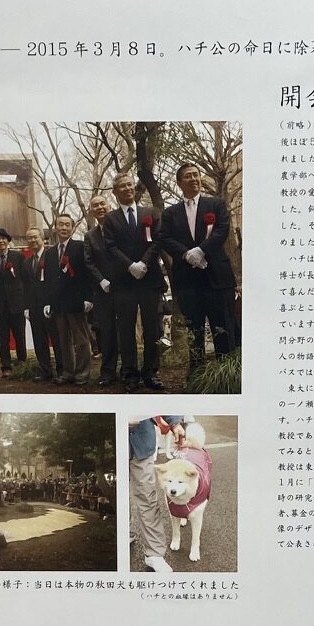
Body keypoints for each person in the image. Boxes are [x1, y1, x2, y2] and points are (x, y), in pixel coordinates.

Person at [159, 161, 236, 372]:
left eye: (196, 174)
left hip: (217, 277)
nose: (194, 179)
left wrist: (201, 250)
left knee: (223, 328)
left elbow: (222, 230)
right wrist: (186, 254)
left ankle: (226, 375)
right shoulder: (170, 213)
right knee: (195, 331)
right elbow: (164, 237)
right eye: (188, 176)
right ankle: (197, 376)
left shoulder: (216, 204)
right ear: (179, 183)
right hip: (188, 281)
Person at [102, 173, 166, 390]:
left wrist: (144, 263)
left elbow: (158, 240)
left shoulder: (151, 213)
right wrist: (130, 265)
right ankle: (130, 374)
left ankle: (151, 372)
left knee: (152, 327)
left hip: (149, 278)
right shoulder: (110, 219)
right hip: (123, 281)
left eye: (130, 184)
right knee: (126, 329)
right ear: (115, 191)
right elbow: (110, 246)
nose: (127, 188)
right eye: (122, 186)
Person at [40, 212, 93, 386]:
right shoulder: (49, 253)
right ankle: (68, 372)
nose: (64, 228)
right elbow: (48, 280)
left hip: (77, 301)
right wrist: (47, 302)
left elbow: (87, 275)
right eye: (60, 224)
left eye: (67, 225)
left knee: (81, 340)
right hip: (58, 303)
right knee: (63, 341)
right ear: (55, 228)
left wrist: (88, 298)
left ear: (72, 227)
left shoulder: (80, 247)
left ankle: (83, 373)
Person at [82, 193, 119, 388]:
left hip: (125, 287)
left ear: (109, 205)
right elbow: (88, 262)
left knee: (126, 330)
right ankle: (108, 371)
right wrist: (102, 280)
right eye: (95, 205)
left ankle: (130, 370)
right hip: (103, 290)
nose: (99, 208)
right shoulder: (90, 236)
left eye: (102, 204)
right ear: (92, 211)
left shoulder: (120, 227)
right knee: (106, 331)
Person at [127, 417, 173, 574]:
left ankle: (155, 554)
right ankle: (125, 531)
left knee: (147, 496)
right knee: (118, 494)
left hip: (141, 441)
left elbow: (164, 403)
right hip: (113, 441)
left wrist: (175, 422)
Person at [16, 223, 58, 381]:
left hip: (50, 306)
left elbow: (54, 282)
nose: (32, 240)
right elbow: (26, 286)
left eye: (35, 237)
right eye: (29, 238)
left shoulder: (51, 256)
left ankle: (62, 371)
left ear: (42, 238)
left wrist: (51, 302)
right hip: (33, 307)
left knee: (56, 339)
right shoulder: (27, 262)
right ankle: (46, 371)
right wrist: (26, 307)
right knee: (39, 340)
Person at [0, 228, 25, 370]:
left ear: (8, 241)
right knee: (2, 337)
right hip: (0, 306)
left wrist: (24, 302)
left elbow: (24, 279)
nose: (0, 241)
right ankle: (6, 365)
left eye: (3, 238)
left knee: (20, 335)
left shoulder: (18, 257)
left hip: (17, 304)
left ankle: (22, 363)